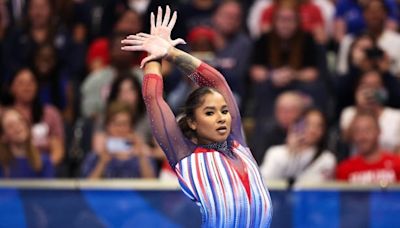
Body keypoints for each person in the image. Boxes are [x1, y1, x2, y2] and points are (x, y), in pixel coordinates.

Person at [121, 6, 272, 227]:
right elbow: (153, 98)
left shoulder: (239, 144)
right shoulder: (185, 157)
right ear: (192, 122)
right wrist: (154, 54)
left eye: (224, 111)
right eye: (209, 113)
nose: (221, 118)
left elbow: (218, 82)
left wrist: (172, 52)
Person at [3, 68, 65, 167]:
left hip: (42, 170)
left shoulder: (50, 113)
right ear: (11, 88)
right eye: (21, 82)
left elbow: (58, 150)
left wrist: (43, 169)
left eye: (31, 82)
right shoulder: (4, 115)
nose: (27, 86)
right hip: (9, 170)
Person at [260, 108, 336, 184]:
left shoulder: (327, 158)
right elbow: (265, 181)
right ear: (296, 125)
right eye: (307, 124)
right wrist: (289, 153)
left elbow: (314, 185)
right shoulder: (275, 152)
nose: (313, 130)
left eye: (319, 126)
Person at [81, 101, 155, 179]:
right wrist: (102, 163)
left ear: (131, 126)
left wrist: (141, 156)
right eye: (116, 124)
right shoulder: (95, 156)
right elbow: (86, 187)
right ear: (107, 126)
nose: (120, 129)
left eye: (125, 124)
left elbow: (152, 186)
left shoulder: (142, 154)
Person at [340, 71, 400, 153]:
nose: (371, 90)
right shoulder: (349, 113)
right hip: (357, 163)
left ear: (383, 90)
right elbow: (347, 139)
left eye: (375, 86)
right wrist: (360, 108)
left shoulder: (396, 116)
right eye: (366, 86)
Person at [336, 112, 400, 184]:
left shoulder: (397, 164)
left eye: (367, 130)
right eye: (357, 131)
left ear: (378, 131)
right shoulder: (345, 169)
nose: (362, 137)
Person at [250, 91, 308, 164]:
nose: (285, 115)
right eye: (281, 110)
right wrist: (287, 150)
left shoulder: (307, 131)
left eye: (291, 111)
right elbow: (260, 161)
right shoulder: (264, 131)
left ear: (301, 112)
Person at [0, 108, 54, 178]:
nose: (18, 127)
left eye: (20, 121)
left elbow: (48, 188)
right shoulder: (1, 165)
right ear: (3, 136)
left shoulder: (44, 162)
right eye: (11, 125)